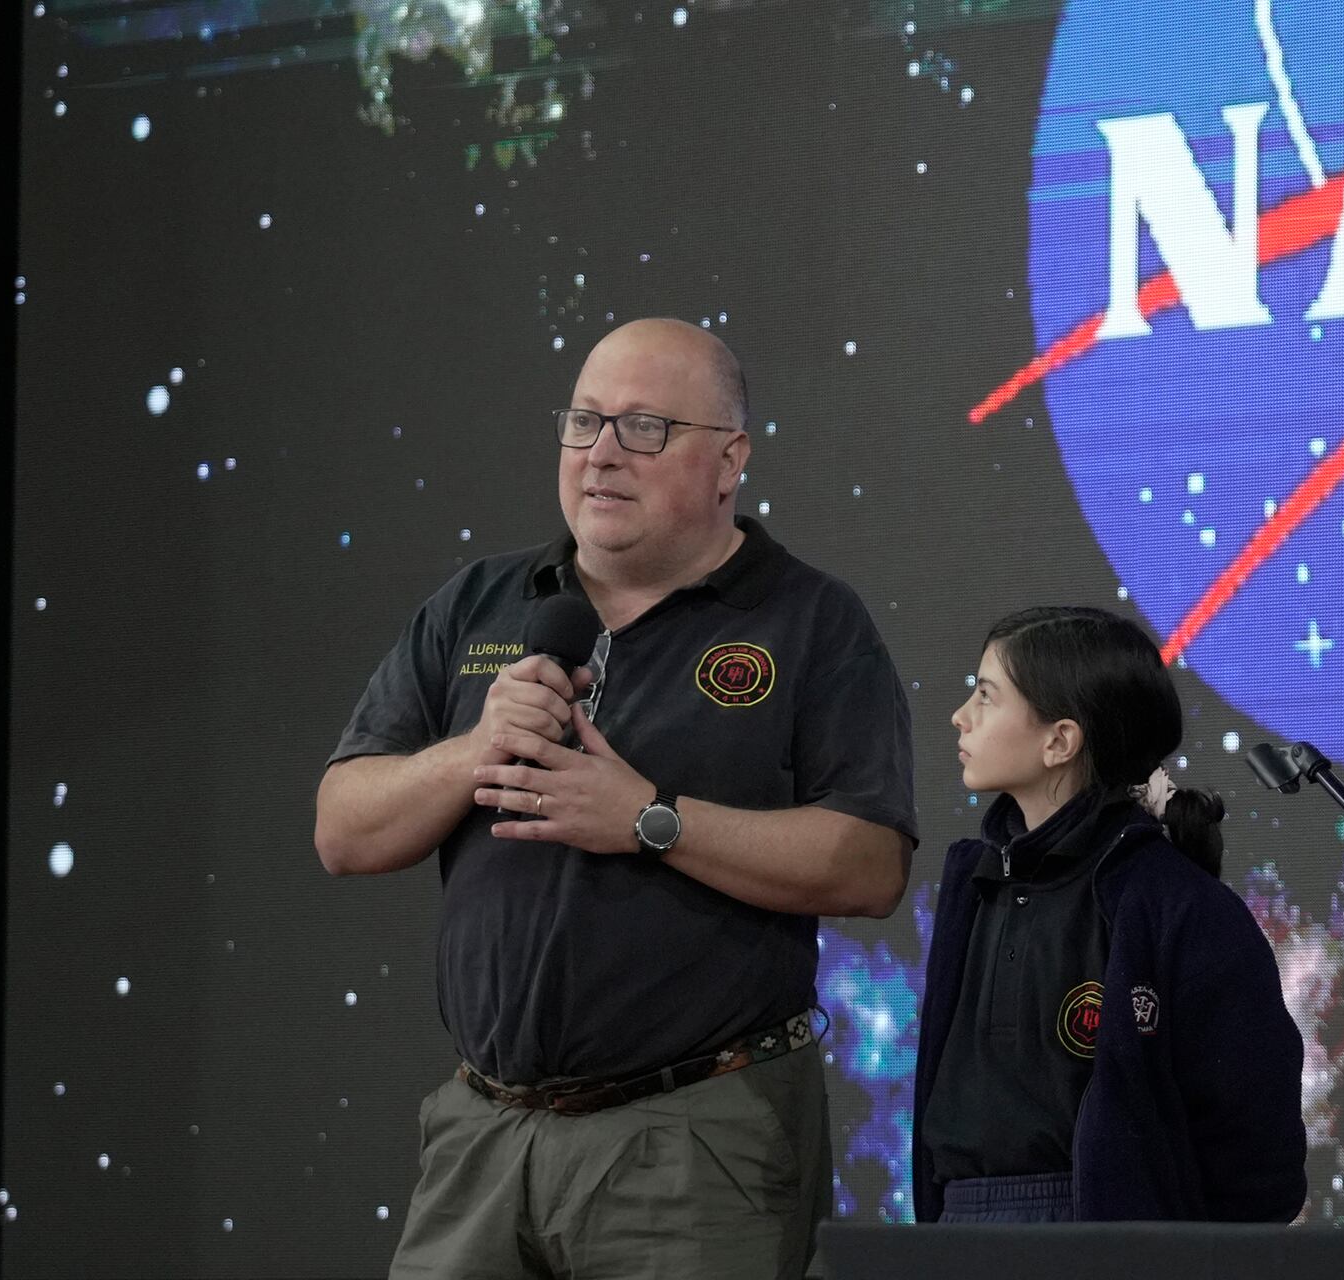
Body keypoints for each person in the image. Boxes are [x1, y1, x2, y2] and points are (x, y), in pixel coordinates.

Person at [315, 317, 918, 1279]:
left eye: (643, 428)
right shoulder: (481, 603)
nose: (600, 454)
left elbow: (870, 862)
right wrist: (476, 749)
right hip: (481, 1134)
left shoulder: (810, 622)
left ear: (730, 461)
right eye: (583, 422)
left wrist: (649, 819)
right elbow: (343, 829)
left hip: (693, 1140)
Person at [912, 606, 1306, 1224]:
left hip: (1106, 1246)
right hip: (957, 1236)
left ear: (1059, 741)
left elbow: (1257, 1158)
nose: (960, 716)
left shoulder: (1177, 908)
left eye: (986, 697)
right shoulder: (973, 886)